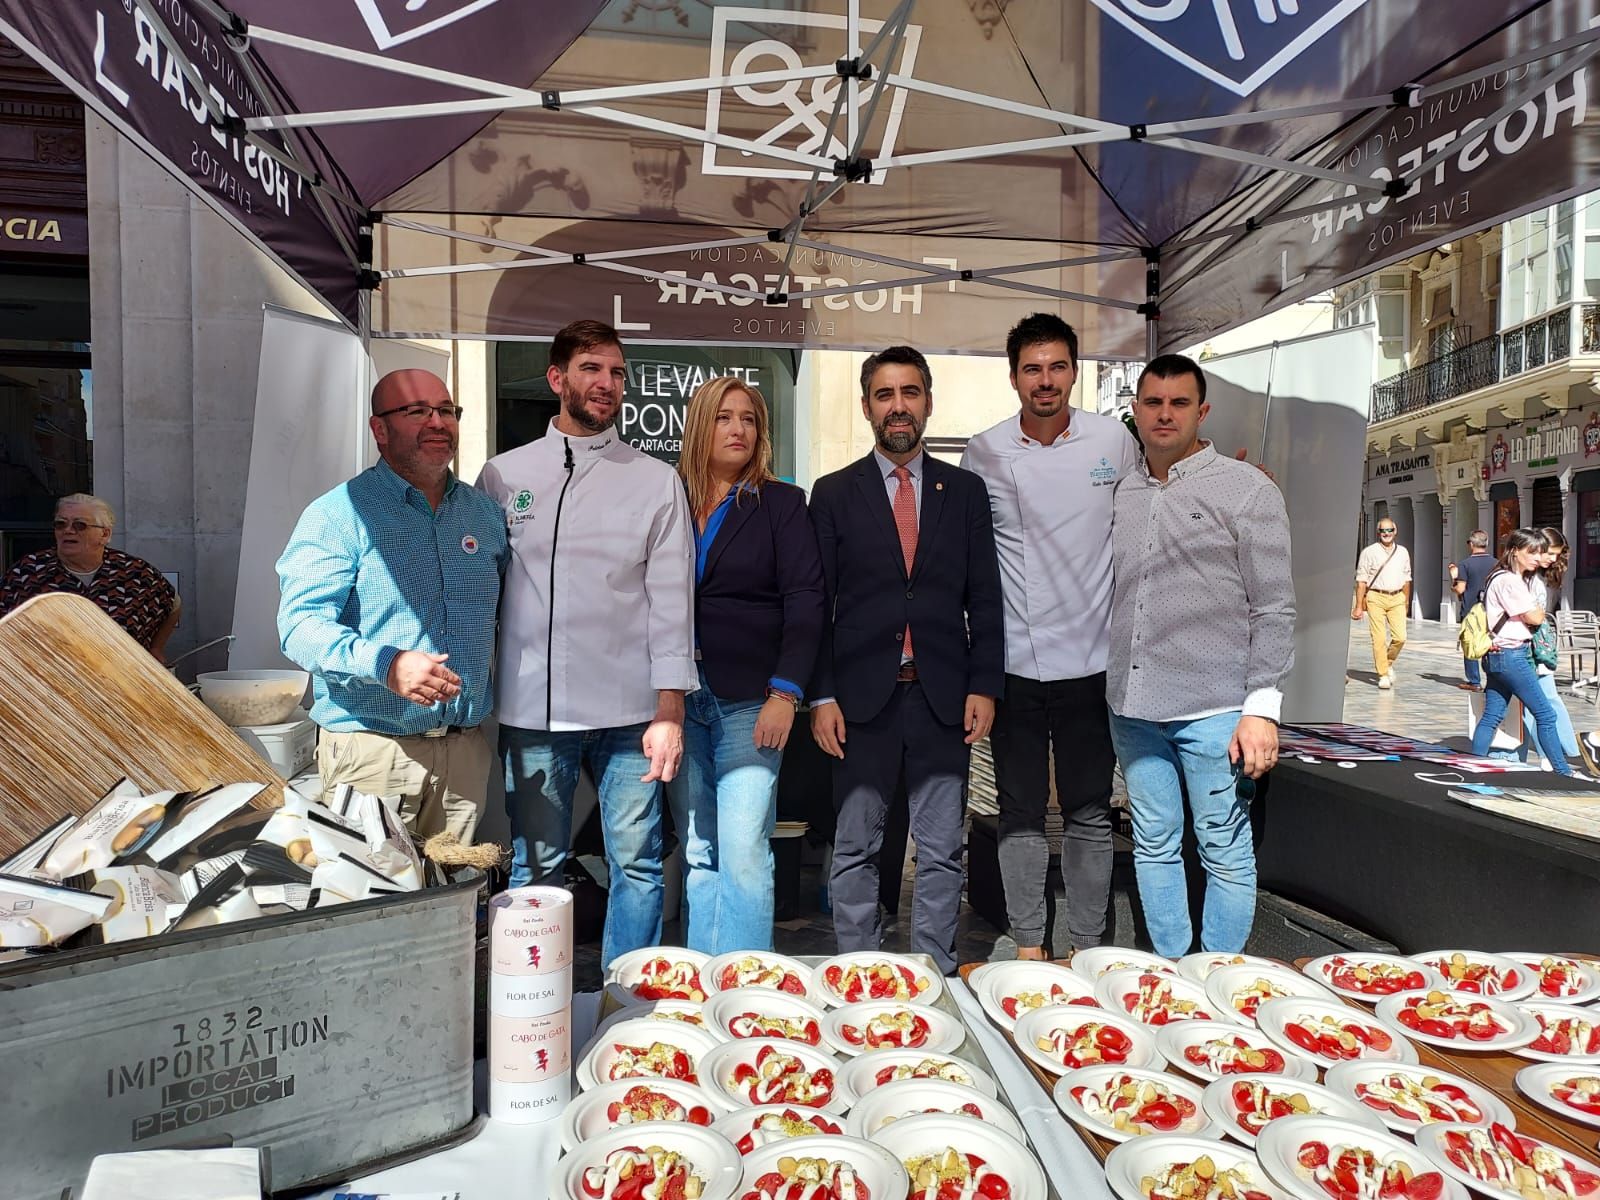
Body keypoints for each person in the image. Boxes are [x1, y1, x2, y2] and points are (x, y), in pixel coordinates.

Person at [477, 319, 697, 970]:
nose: (607, 384)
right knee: (535, 867)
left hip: (632, 714)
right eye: (592, 370)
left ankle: (623, 1004)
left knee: (638, 865)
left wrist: (670, 710)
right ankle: (532, 1004)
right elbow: (478, 591)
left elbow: (672, 602)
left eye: (617, 373)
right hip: (533, 716)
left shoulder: (655, 481)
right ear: (557, 379)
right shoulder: (502, 475)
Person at [808, 345, 1005, 976]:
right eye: (886, 394)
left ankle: (934, 976)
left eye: (911, 392)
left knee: (944, 849)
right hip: (861, 699)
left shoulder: (966, 491)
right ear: (867, 406)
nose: (899, 407)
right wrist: (822, 695)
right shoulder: (834, 493)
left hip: (943, 695)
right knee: (856, 847)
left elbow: (987, 597)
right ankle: (859, 976)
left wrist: (985, 685)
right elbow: (818, 604)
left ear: (928, 401)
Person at [960, 313, 1138, 960]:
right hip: (1015, 663)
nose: (1046, 381)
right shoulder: (984, 450)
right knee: (1020, 811)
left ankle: (1087, 948)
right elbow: (971, 558)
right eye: (1032, 369)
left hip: (1094, 663)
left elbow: (1145, 519)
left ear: (1074, 371)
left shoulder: (1113, 442)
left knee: (1092, 812)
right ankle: (1032, 944)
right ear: (1014, 378)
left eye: (1057, 367)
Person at [1105, 354, 1296, 958]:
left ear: (1201, 410)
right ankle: (1170, 976)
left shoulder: (1247, 490)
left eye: (1178, 403)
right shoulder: (1124, 491)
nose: (1165, 414)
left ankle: (1218, 983)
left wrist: (1262, 709)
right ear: (1135, 411)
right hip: (1132, 706)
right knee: (1153, 841)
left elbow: (1275, 606)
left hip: (1215, 709)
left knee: (1223, 848)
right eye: (1153, 403)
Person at [277, 370, 507, 838]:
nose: (437, 422)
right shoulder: (339, 514)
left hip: (465, 755)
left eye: (446, 410)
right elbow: (299, 626)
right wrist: (386, 664)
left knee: (455, 900)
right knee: (375, 906)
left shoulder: (483, 514)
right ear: (379, 429)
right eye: (417, 411)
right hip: (373, 755)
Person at [666, 377, 824, 954]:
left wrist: (786, 693)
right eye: (724, 418)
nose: (737, 430)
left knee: (744, 852)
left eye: (749, 419)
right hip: (680, 698)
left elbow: (807, 599)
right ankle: (707, 985)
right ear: (699, 425)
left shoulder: (782, 502)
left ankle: (746, 989)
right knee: (699, 849)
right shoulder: (669, 496)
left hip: (751, 699)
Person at [1, 494, 180, 659]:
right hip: (48, 682)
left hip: (119, 681)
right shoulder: (28, 572)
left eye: (80, 525)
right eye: (60, 524)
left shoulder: (134, 573)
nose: (68, 530)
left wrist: (156, 648)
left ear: (105, 534)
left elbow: (172, 604)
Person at [1469, 528, 1575, 776]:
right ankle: (1562, 771)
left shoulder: (1497, 577)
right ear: (1515, 552)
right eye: (1532, 552)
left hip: (1497, 654)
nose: (1538, 558)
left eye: (1540, 552)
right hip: (1512, 656)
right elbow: (1536, 616)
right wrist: (1535, 608)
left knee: (1492, 715)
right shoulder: (1510, 581)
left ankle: (1472, 763)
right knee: (1546, 714)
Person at [1520, 527, 1579, 765]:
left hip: (1533, 643)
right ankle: (1565, 752)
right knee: (1545, 700)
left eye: (1557, 554)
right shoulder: (1538, 575)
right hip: (1536, 642)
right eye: (1550, 553)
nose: (1553, 559)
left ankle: (1559, 753)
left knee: (1541, 702)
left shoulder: (1539, 576)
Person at [1353, 518, 1411, 689]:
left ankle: (1387, 662)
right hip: (1375, 597)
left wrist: (1406, 601)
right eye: (1383, 531)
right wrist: (1358, 606)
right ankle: (1383, 674)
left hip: (1397, 596)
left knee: (1400, 637)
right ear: (1378, 533)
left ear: (1395, 531)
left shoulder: (1402, 552)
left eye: (1389, 530)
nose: (1386, 534)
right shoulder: (1369, 552)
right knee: (1378, 638)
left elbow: (1407, 578)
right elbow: (1361, 581)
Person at [1449, 530, 1495, 689]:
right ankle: (1493, 679)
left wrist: (1453, 582)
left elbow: (1460, 589)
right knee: (1490, 643)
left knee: (1470, 642)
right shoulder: (1496, 563)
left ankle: (1474, 681)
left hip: (1471, 610)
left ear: (1471, 544)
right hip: (1491, 610)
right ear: (1486, 544)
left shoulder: (1465, 564)